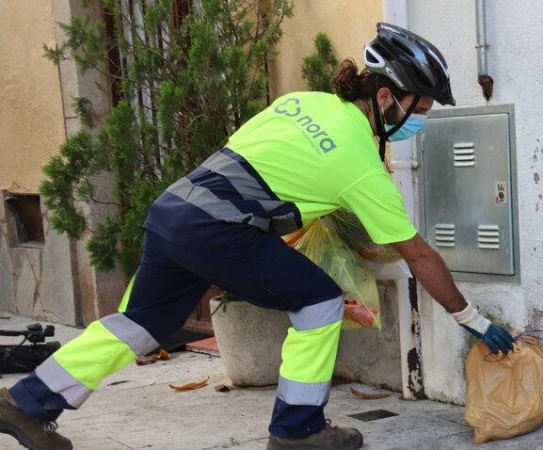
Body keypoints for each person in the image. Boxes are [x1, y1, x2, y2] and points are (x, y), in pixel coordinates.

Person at [0, 23, 515, 450]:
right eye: (419, 110)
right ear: (385, 97)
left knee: (140, 324)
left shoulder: (304, 103)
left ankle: (26, 404)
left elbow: (265, 170)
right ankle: (298, 430)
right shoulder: (359, 161)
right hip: (220, 230)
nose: (419, 122)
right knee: (318, 302)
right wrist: (471, 318)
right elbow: (417, 255)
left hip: (175, 210)